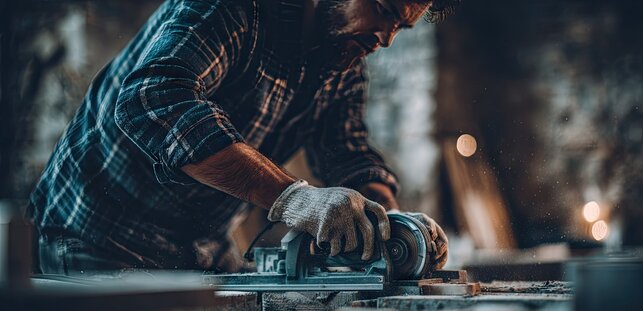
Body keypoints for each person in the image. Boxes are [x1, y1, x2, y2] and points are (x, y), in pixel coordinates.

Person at [28, 0, 458, 275]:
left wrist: (393, 224)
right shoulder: (233, 9)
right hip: (99, 235)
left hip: (199, 251)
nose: (384, 39)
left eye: (400, 27)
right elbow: (152, 100)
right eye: (382, 10)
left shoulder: (342, 64)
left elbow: (349, 155)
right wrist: (296, 198)